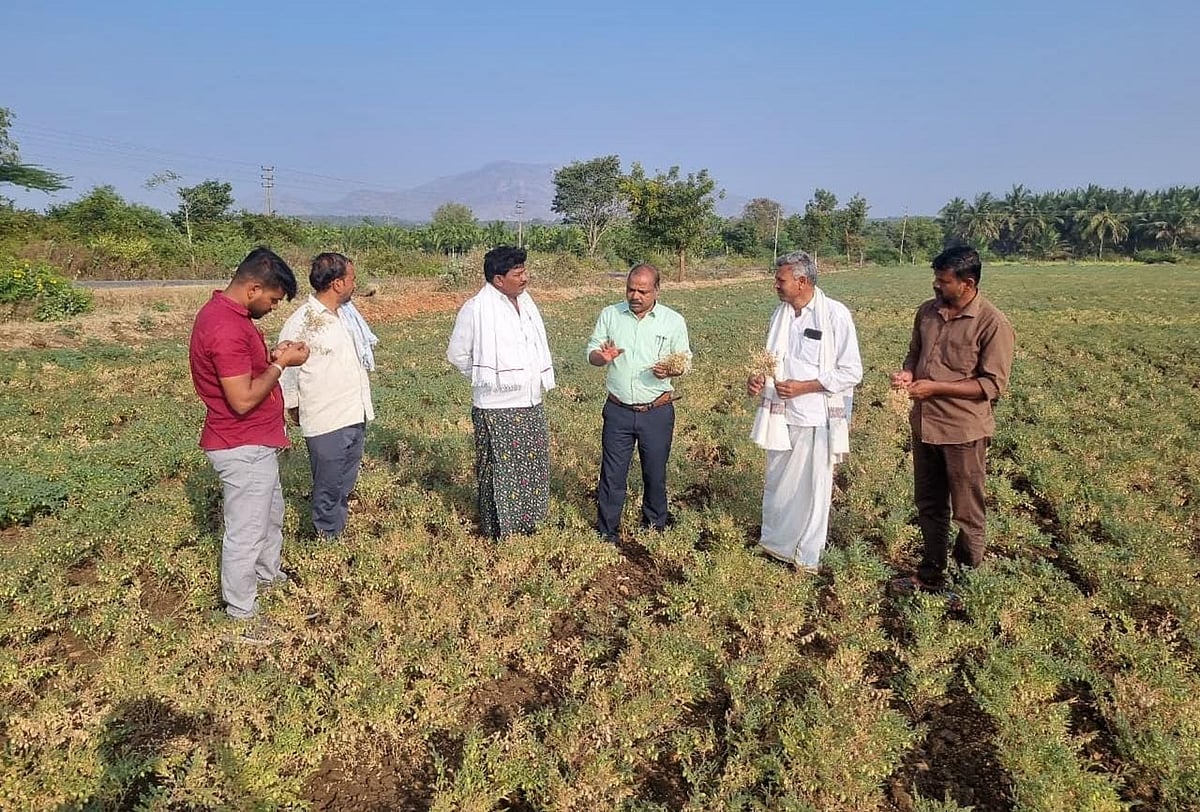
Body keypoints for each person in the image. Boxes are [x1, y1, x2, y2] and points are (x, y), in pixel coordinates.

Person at [188, 247, 309, 641]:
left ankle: (267, 575)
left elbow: (244, 374)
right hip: (240, 444)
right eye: (273, 300)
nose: (274, 308)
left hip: (256, 440)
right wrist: (281, 365)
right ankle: (241, 612)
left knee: (269, 515)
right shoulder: (225, 327)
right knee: (246, 530)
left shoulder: (231, 317)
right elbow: (241, 399)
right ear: (253, 288)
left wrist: (273, 357)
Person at [889, 245, 1015, 602]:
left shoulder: (993, 323)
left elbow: (992, 385)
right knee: (929, 505)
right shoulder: (926, 313)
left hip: (963, 432)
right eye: (936, 278)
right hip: (925, 426)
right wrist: (908, 372)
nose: (936, 286)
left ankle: (964, 585)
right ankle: (930, 577)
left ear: (968, 283)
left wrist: (935, 388)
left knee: (967, 512)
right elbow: (914, 352)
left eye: (943, 281)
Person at [747, 251, 862, 572]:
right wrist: (758, 379)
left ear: (802, 281)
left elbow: (851, 372)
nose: (775, 285)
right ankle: (776, 545)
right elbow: (771, 362)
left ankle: (806, 557)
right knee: (779, 483)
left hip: (817, 419)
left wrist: (805, 386)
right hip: (781, 416)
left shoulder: (834, 315)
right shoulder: (780, 315)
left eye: (780, 279)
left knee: (813, 490)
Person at [447, 246, 555, 538]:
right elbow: (457, 355)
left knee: (533, 467)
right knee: (499, 472)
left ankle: (530, 527)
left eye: (524, 271)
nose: (525, 278)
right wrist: (488, 376)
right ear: (498, 279)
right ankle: (500, 532)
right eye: (518, 274)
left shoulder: (527, 303)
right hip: (495, 407)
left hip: (530, 401)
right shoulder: (475, 309)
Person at [586, 264, 691, 542]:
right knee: (612, 473)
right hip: (618, 410)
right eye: (631, 289)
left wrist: (670, 370)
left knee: (655, 472)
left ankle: (655, 525)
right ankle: (607, 530)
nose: (635, 295)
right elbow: (592, 353)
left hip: (656, 411)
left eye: (643, 291)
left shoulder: (672, 321)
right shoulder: (610, 315)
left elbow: (685, 362)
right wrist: (602, 357)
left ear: (656, 290)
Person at [277, 252, 376, 540]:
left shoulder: (347, 316)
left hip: (354, 413)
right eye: (352, 279)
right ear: (337, 283)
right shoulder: (304, 322)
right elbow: (287, 371)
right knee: (328, 485)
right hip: (325, 418)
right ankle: (326, 539)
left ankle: (336, 530)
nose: (354, 284)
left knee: (344, 482)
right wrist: (294, 407)